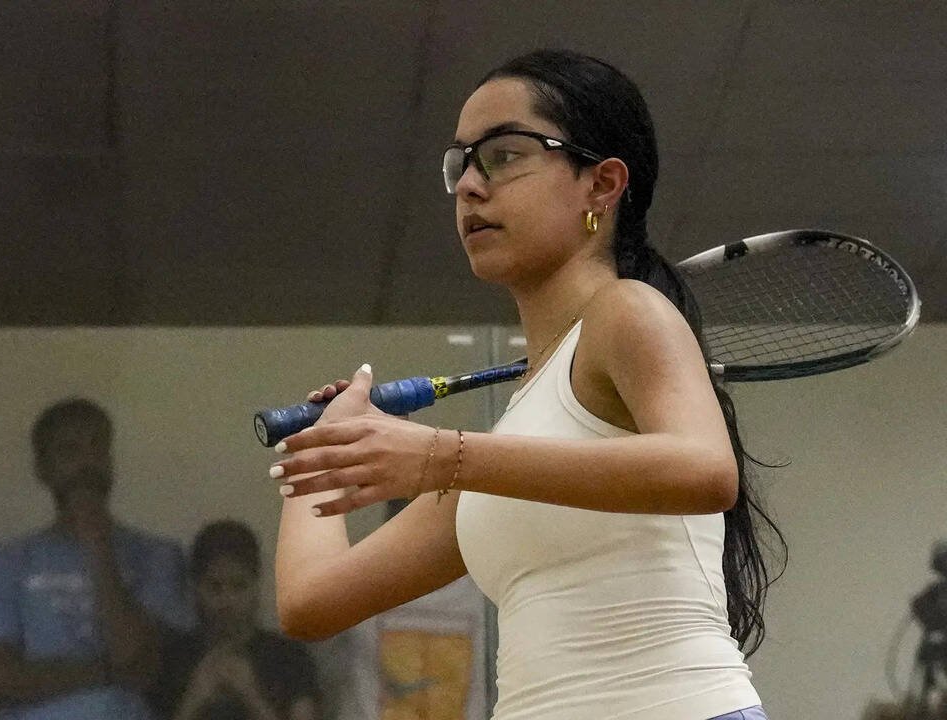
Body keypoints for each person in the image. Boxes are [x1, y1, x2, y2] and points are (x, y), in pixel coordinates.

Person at [269, 49, 785, 720]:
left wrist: (440, 456)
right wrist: (324, 447)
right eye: (461, 163)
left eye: (504, 155)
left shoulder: (628, 310)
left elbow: (705, 471)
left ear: (601, 185)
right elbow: (311, 602)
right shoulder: (503, 453)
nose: (468, 185)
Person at [0, 397, 194, 719]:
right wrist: (107, 673)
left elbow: (138, 665)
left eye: (98, 447)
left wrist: (99, 547)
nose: (88, 462)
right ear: (42, 469)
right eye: (69, 451)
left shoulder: (157, 555)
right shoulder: (3, 562)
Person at [152, 520, 319, 720]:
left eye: (239, 586)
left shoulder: (289, 657)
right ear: (196, 589)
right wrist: (194, 698)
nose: (227, 601)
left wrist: (251, 695)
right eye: (214, 587)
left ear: (255, 587)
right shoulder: (172, 658)